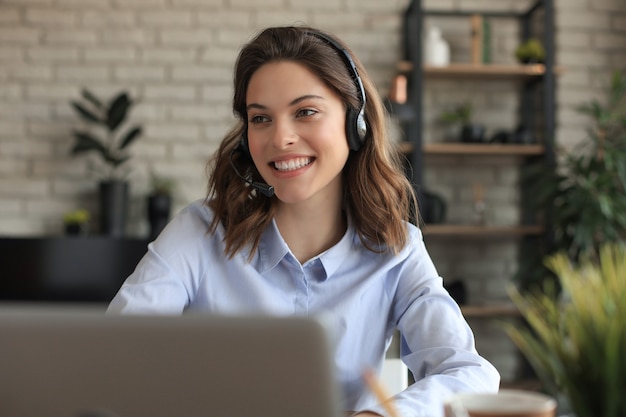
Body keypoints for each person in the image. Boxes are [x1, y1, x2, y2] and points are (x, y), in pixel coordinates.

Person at [107, 25, 500, 417]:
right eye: (261, 119)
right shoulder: (200, 231)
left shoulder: (396, 247)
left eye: (305, 112)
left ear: (355, 123)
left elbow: (468, 372)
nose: (280, 138)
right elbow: (114, 355)